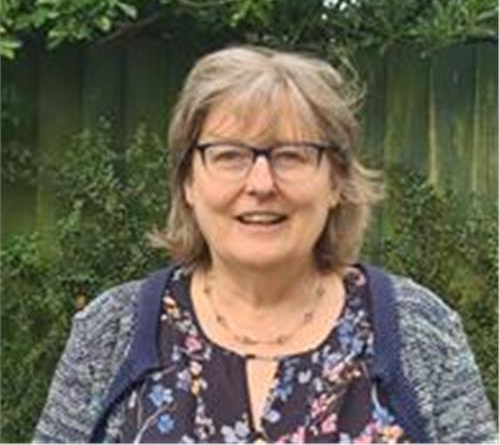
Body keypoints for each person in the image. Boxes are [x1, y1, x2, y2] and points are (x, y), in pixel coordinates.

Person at [34, 46, 495, 444]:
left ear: (336, 181)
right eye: (229, 155)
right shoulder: (111, 333)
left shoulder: (419, 330)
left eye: (291, 155)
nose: (260, 184)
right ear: (188, 181)